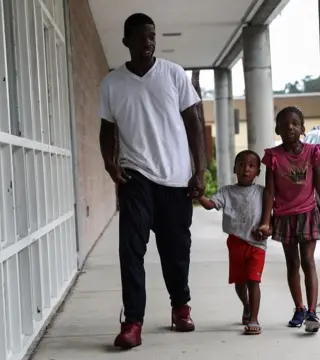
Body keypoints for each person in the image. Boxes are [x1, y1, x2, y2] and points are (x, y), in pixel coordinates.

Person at [98, 13, 206, 350]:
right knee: (130, 249)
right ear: (126, 42)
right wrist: (109, 163)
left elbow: (195, 123)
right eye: (142, 37)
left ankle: (180, 306)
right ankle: (132, 321)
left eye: (152, 37)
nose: (148, 43)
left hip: (175, 179)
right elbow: (107, 130)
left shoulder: (173, 75)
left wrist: (200, 169)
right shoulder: (113, 83)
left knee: (176, 251)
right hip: (135, 176)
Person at [258, 106, 320, 333]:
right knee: (292, 263)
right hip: (284, 216)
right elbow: (269, 191)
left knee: (308, 261)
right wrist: (266, 221)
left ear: (302, 128)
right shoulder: (273, 157)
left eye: (294, 123)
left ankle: (312, 311)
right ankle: (299, 308)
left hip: (308, 213)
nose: (289, 127)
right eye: (284, 124)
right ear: (277, 129)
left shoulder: (312, 152)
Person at [198, 150, 267, 335]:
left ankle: (254, 318)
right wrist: (199, 195)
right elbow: (210, 205)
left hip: (256, 244)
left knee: (253, 280)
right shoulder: (226, 192)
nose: (246, 169)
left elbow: (272, 217)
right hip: (235, 242)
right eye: (242, 165)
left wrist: (268, 229)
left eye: (252, 166)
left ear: (258, 172)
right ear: (235, 168)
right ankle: (246, 305)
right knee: (239, 282)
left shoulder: (262, 192)